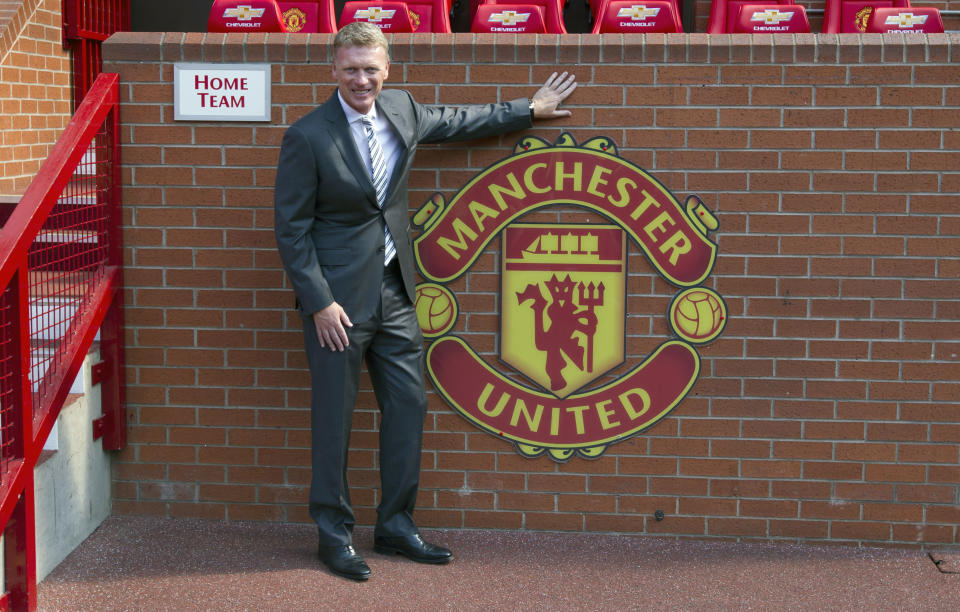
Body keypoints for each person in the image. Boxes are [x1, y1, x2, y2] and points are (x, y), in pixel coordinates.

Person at [273, 21, 576, 582]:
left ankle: (394, 525)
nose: (361, 79)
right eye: (350, 68)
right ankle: (333, 535)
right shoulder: (309, 135)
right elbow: (291, 230)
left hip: (396, 292)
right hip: (336, 305)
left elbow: (460, 122)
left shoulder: (402, 109)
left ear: (386, 70)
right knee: (334, 420)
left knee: (408, 409)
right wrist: (318, 302)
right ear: (333, 70)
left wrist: (527, 110)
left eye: (370, 68)